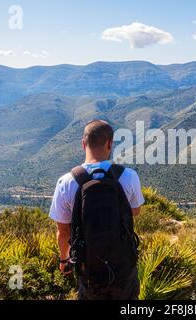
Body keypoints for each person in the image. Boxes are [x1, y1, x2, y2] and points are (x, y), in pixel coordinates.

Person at [49, 120, 145, 300]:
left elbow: (63, 231)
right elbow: (135, 211)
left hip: (88, 267)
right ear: (110, 143)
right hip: (123, 266)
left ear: (83, 144)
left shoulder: (66, 182)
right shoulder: (129, 176)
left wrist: (64, 260)